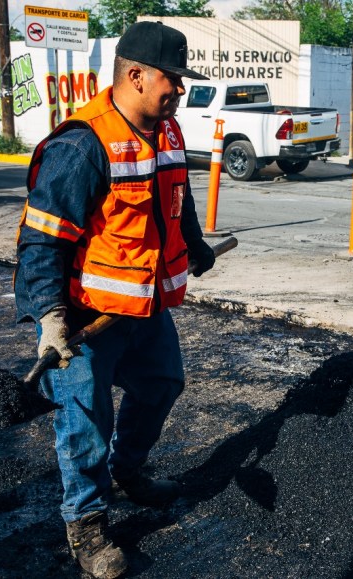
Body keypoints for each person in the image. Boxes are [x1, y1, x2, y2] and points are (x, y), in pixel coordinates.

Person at [14, 21, 215, 579]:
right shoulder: (84, 143)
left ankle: (129, 471)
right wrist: (51, 318)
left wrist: (193, 244)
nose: (180, 90)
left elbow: (177, 198)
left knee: (161, 385)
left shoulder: (168, 132)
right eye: (173, 79)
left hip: (144, 304)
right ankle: (87, 525)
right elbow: (42, 238)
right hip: (85, 312)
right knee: (84, 421)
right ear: (135, 75)